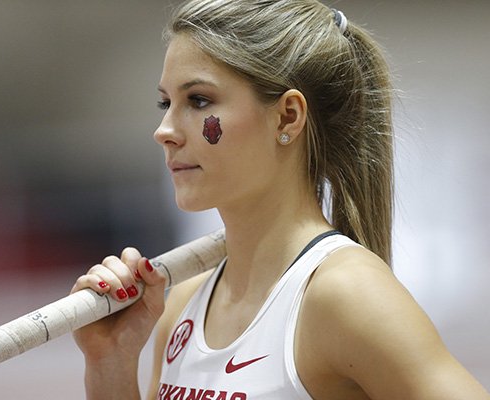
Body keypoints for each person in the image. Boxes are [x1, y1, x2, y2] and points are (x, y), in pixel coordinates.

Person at [70, 0, 490, 398]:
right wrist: (112, 363)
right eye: (166, 102)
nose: (164, 129)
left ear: (287, 116)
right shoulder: (181, 304)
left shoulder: (345, 295)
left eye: (198, 100)